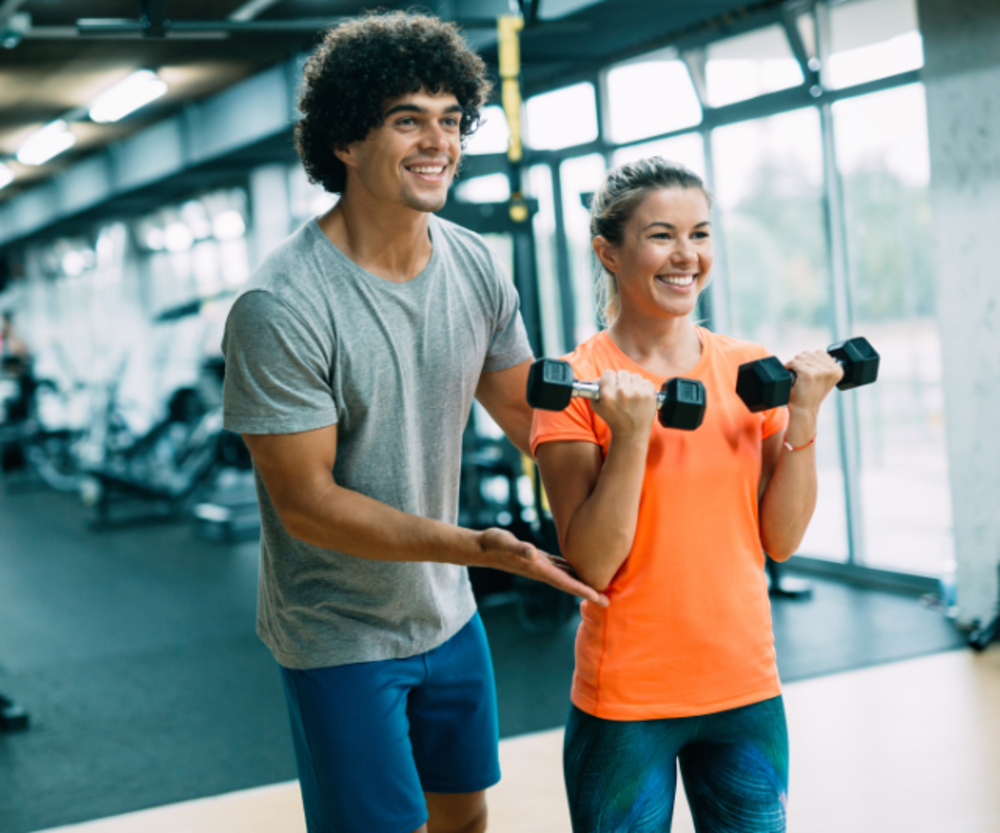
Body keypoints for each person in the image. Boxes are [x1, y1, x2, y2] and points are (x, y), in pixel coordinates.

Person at [220, 12, 606, 833]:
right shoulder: (281, 304)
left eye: (451, 119)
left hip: (447, 609)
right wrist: (478, 547)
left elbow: (528, 415)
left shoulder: (474, 264)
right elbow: (308, 504)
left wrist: (634, 455)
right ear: (345, 142)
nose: (439, 141)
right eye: (408, 120)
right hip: (337, 629)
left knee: (464, 818)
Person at [531, 157, 844, 832]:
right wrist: (632, 438)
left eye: (700, 234)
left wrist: (807, 418)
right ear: (607, 252)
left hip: (745, 687)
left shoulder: (745, 367)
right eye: (662, 235)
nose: (686, 256)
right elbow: (591, 564)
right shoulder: (578, 384)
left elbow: (781, 540)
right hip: (627, 700)